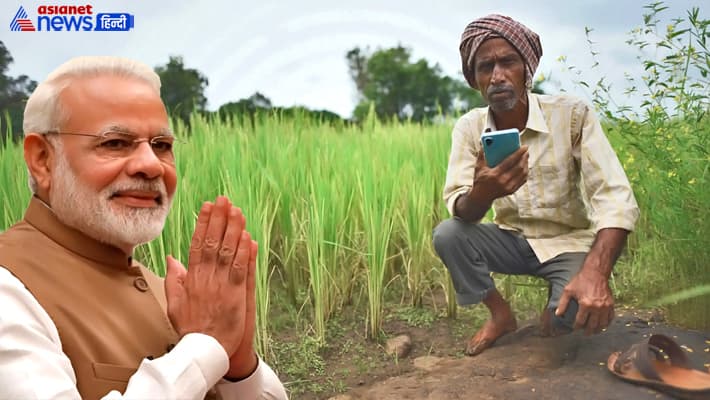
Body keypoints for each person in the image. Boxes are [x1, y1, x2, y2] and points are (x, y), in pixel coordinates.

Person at [0, 56, 289, 399]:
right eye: (114, 143)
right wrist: (202, 348)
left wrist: (237, 366)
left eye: (162, 146)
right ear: (42, 160)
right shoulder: (9, 289)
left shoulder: (166, 294)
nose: (151, 165)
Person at [433, 15, 640, 356]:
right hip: (510, 239)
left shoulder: (571, 115)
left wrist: (596, 273)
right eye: (486, 67)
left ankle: (556, 305)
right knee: (448, 234)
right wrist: (483, 193)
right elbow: (461, 208)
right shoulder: (470, 128)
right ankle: (501, 315)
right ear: (475, 80)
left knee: (571, 315)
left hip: (567, 242)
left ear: (527, 69)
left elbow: (614, 197)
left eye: (508, 62)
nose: (497, 76)